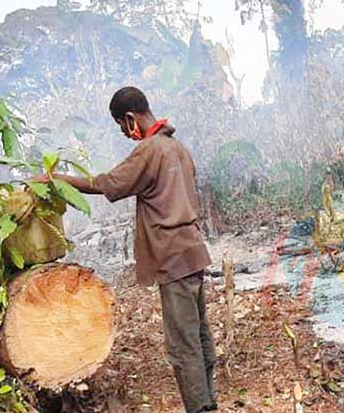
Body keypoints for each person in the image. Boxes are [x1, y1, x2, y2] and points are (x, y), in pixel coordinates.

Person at [36, 86, 217, 413]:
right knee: (200, 335)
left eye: (122, 126)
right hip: (193, 252)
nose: (124, 133)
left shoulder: (150, 151)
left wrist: (55, 180)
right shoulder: (178, 149)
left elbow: (106, 183)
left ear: (131, 117)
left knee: (183, 345)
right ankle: (209, 403)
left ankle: (201, 409)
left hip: (173, 258)